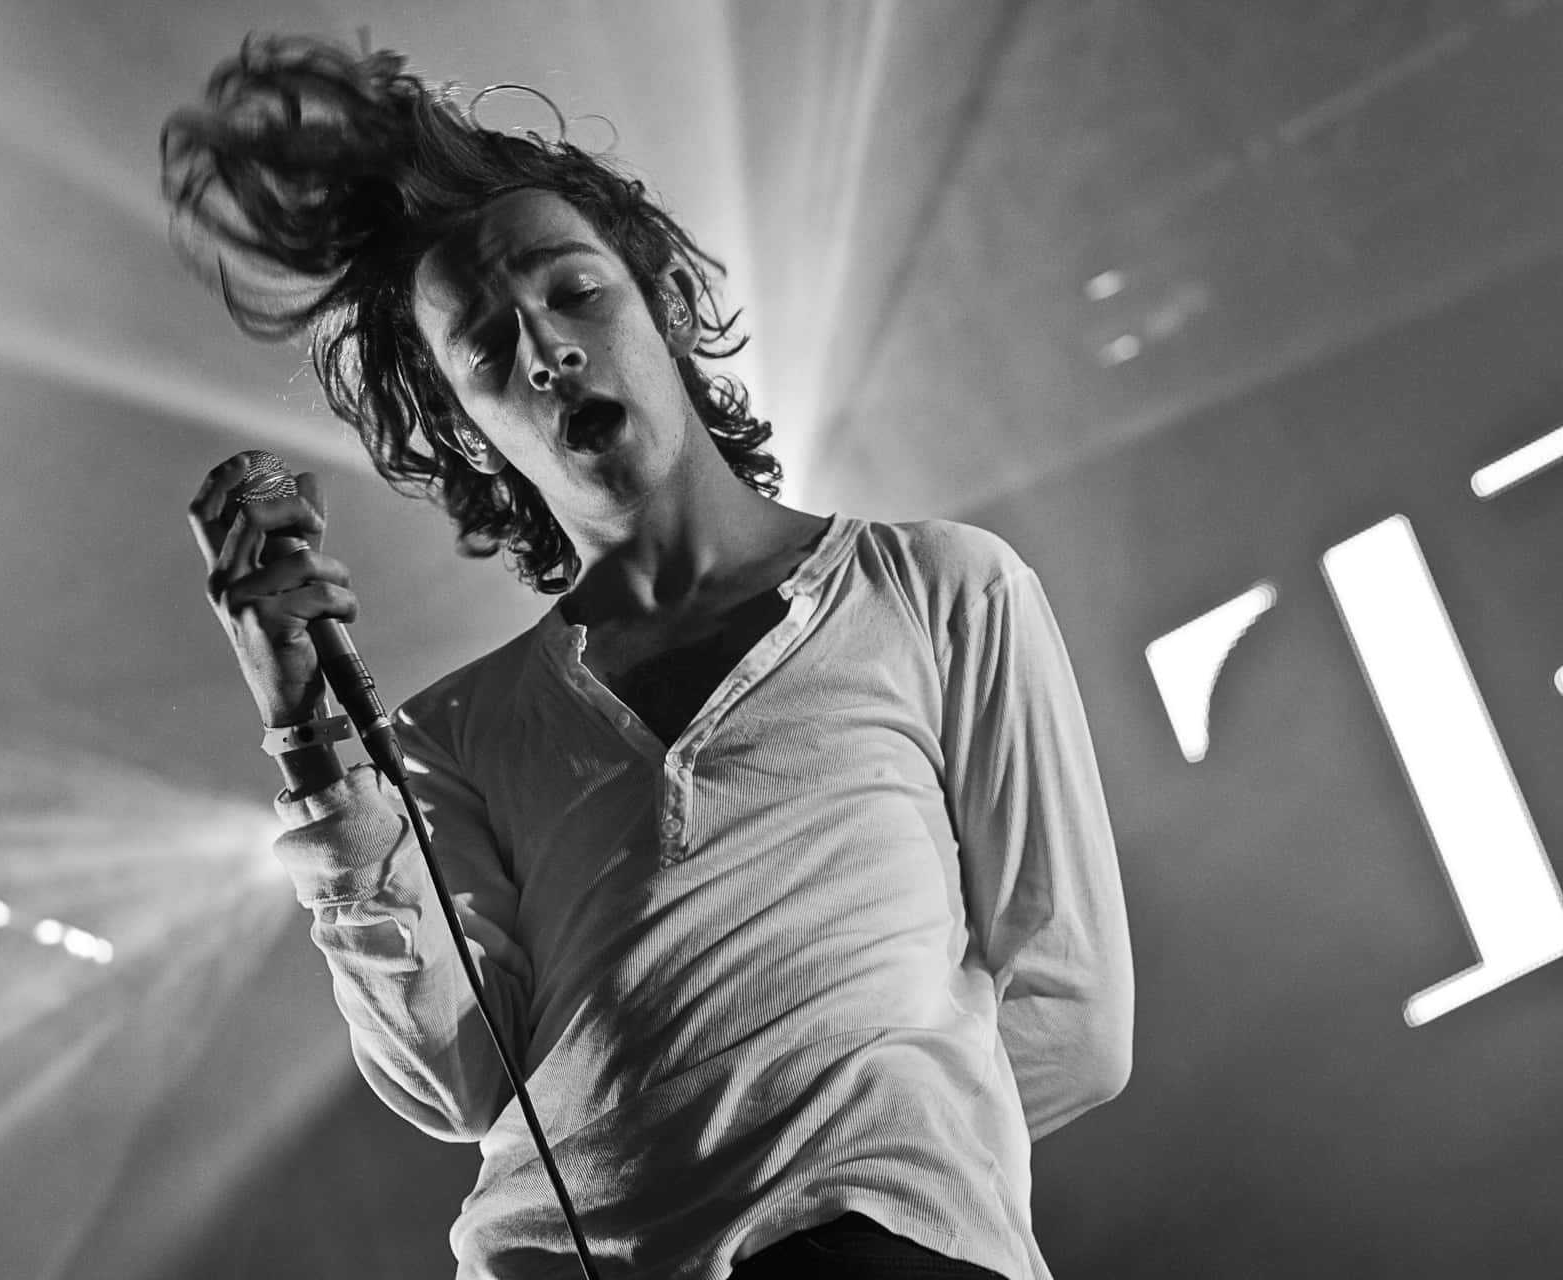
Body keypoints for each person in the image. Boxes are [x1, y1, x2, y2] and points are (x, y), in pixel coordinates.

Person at [168, 35, 1134, 1280]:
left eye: (575, 292)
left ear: (664, 301)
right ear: (471, 432)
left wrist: (857, 1170)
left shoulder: (938, 588)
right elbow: (456, 1074)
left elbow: (1074, 1013)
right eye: (485, 345)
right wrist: (308, 735)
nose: (546, 348)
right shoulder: (449, 733)